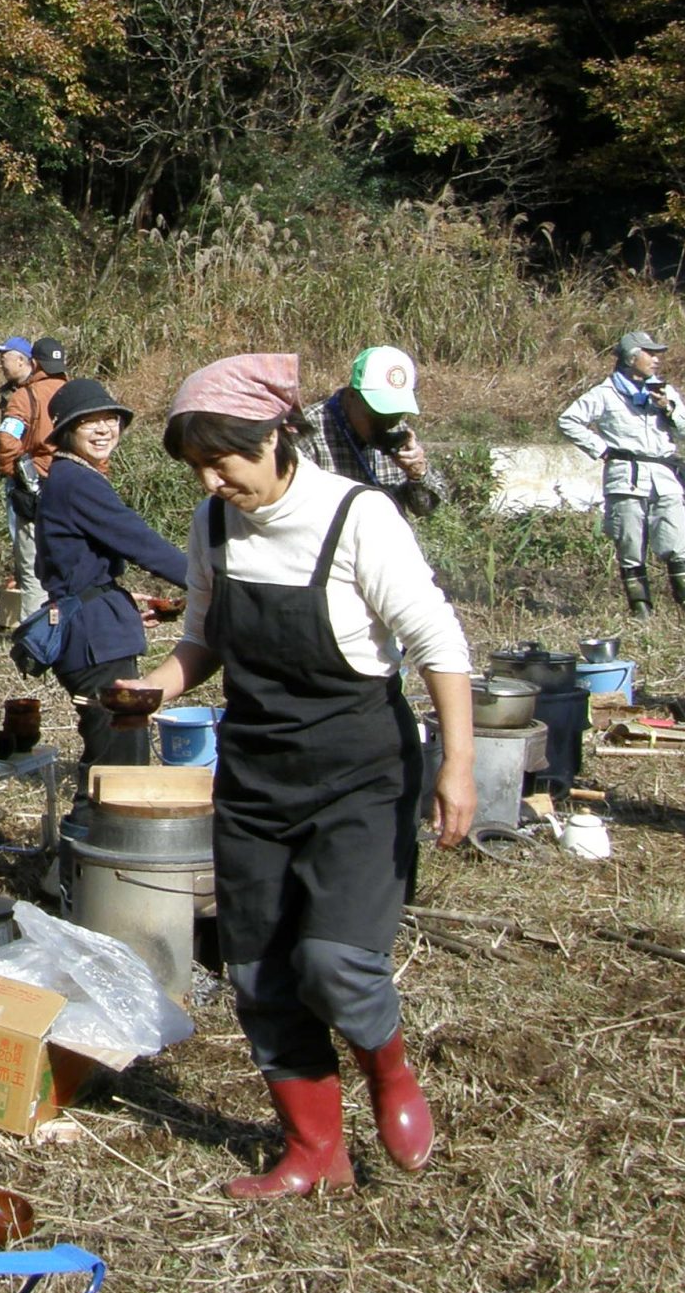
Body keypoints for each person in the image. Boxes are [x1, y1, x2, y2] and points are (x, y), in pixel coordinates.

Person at [133, 353, 474, 1200]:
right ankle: (313, 1149)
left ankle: (389, 1073)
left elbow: (439, 643)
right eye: (200, 467)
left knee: (333, 960)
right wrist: (157, 686)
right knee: (256, 968)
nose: (216, 480)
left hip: (361, 774)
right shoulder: (212, 524)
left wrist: (457, 766)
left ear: (279, 436)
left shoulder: (357, 517)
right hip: (255, 775)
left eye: (229, 460)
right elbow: (205, 635)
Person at [33, 378, 190, 781]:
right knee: (117, 763)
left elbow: (70, 564)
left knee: (119, 751)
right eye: (90, 421)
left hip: (92, 628)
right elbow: (141, 542)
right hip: (93, 641)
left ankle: (98, 833)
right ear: (68, 430)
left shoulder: (69, 477)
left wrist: (115, 596)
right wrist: (210, 581)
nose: (104, 428)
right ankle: (88, 838)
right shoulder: (76, 480)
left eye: (111, 419)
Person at [557, 331, 685, 613]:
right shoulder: (604, 393)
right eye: (650, 353)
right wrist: (601, 448)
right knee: (630, 546)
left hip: (665, 477)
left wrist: (667, 408)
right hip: (626, 478)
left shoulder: (663, 391)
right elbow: (568, 420)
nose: (656, 360)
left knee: (677, 541)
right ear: (631, 357)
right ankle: (641, 610)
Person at [298, 346, 445, 521]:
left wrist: (418, 473)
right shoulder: (307, 432)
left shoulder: (398, 430)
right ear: (352, 395)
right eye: (378, 414)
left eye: (396, 414)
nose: (388, 424)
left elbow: (425, 509)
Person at [0, 337, 69, 602]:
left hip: (34, 484)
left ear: (34, 363)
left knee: (32, 563)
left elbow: (7, 437)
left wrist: (11, 471)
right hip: (72, 484)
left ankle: (35, 632)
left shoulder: (24, 397)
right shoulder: (76, 393)